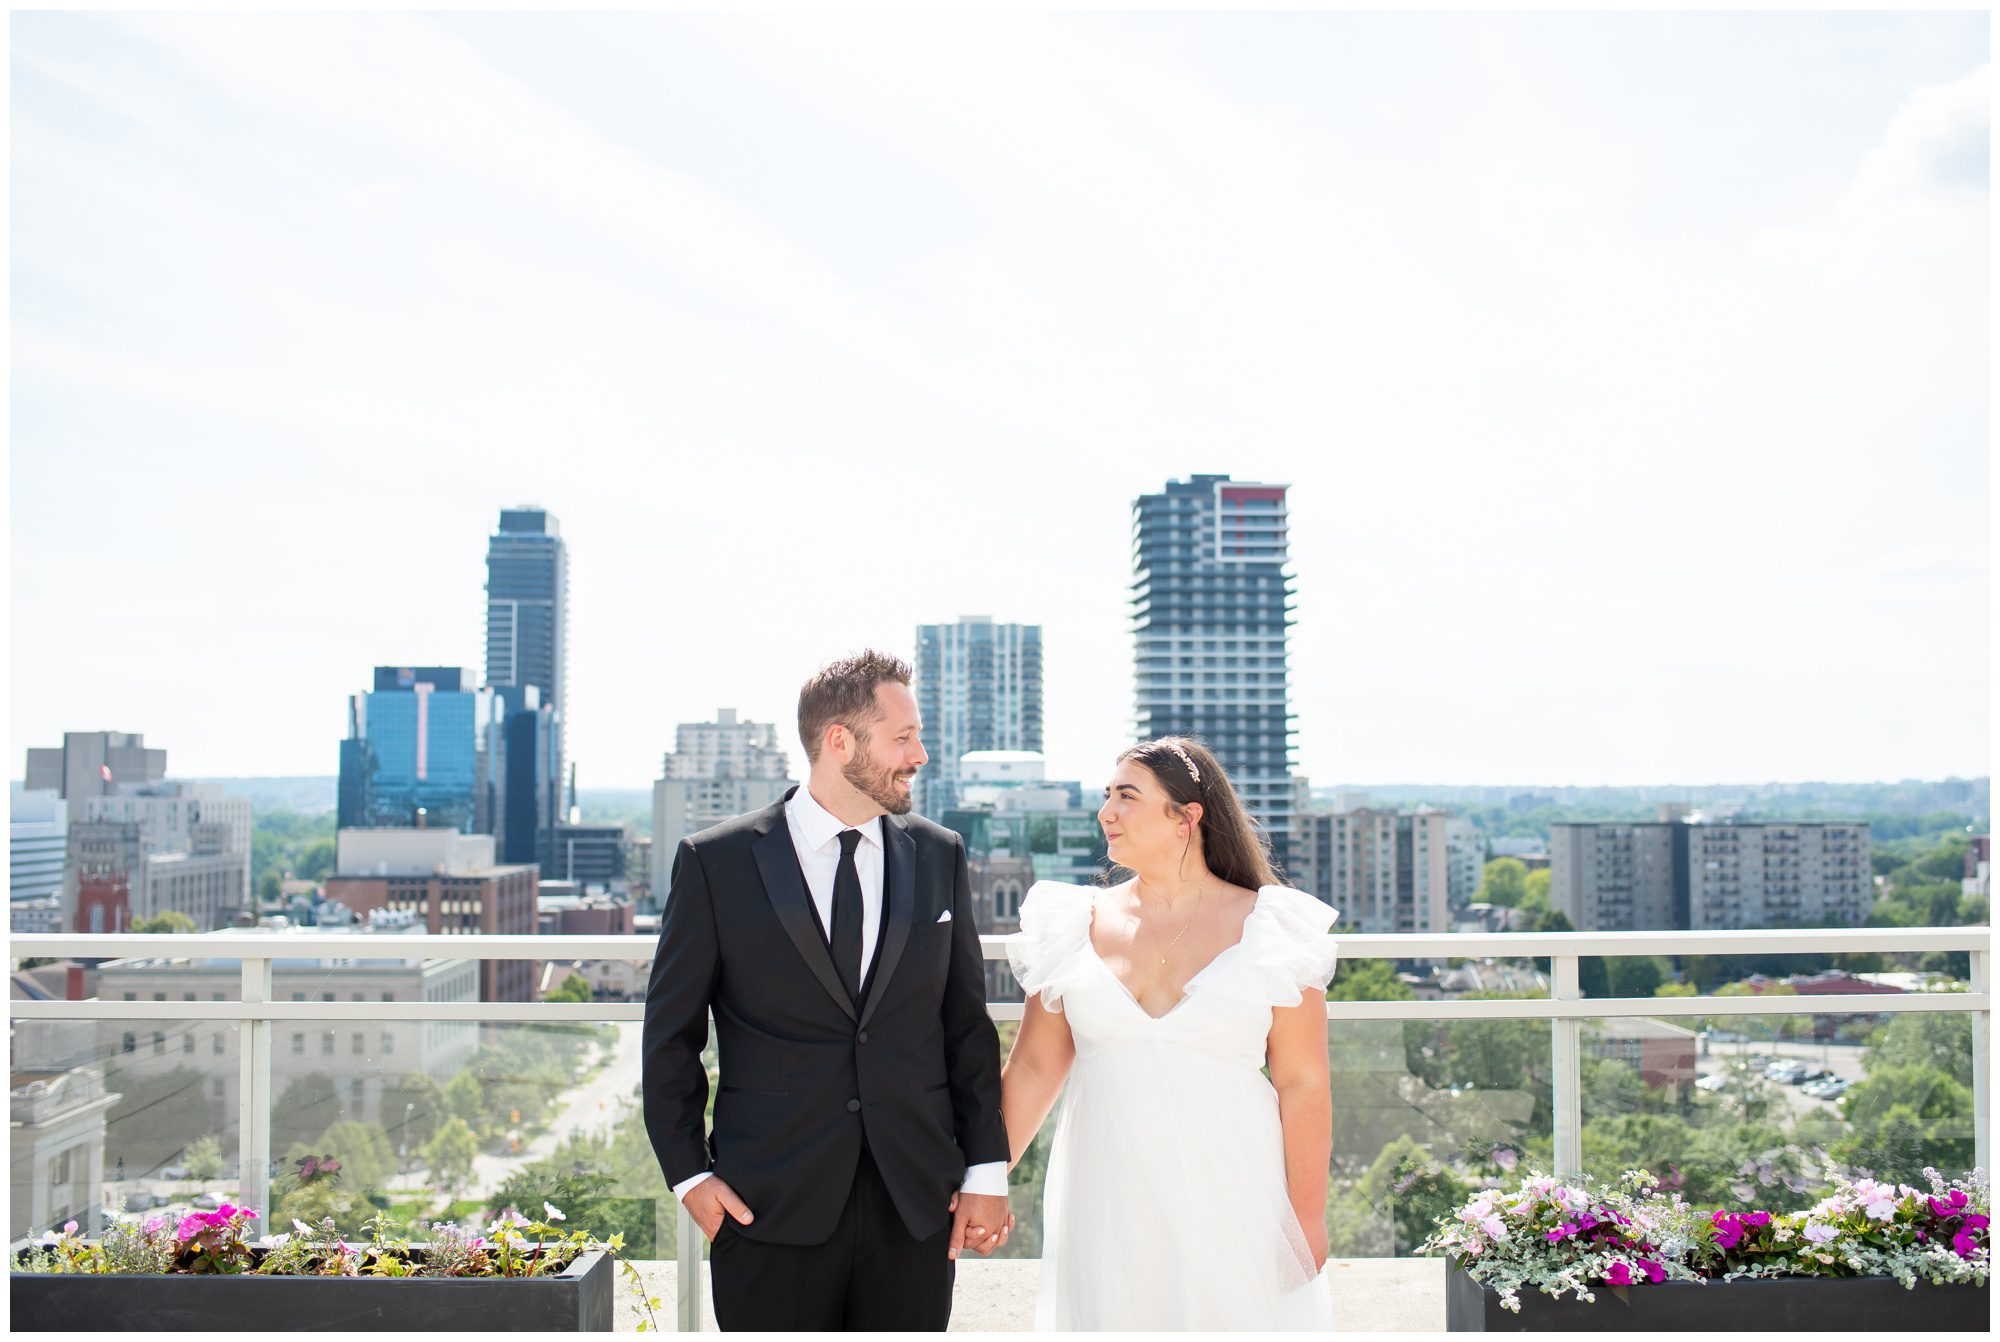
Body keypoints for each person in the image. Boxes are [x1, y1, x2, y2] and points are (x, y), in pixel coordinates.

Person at [643, 650, 1012, 1331]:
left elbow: (965, 1026)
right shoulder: (715, 862)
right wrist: (690, 1177)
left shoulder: (940, 853)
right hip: (767, 1204)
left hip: (916, 1204)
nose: (921, 755)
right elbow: (671, 1035)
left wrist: (986, 1172)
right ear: (838, 741)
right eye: (903, 737)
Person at [1001, 736, 1339, 1329]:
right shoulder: (1070, 925)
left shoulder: (1274, 927)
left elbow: (1303, 1080)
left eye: (1126, 796)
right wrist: (979, 1180)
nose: (1106, 812)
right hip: (1105, 1197)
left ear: (1188, 817)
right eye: (1107, 796)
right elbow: (1031, 1069)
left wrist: (1306, 1217)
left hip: (1234, 1193)